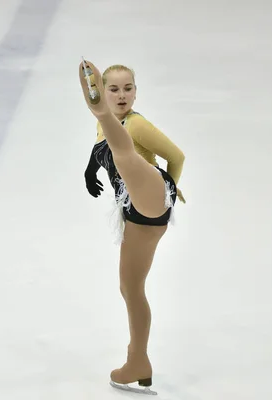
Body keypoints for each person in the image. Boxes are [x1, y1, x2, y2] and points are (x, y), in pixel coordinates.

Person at [79, 60, 186, 393]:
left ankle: (137, 358)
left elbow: (177, 156)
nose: (122, 94)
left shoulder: (134, 125)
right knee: (129, 288)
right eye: (113, 89)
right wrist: (89, 169)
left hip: (152, 195)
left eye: (128, 88)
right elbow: (103, 149)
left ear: (136, 93)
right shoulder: (106, 129)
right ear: (103, 91)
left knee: (125, 153)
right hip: (134, 210)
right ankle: (137, 360)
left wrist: (170, 191)